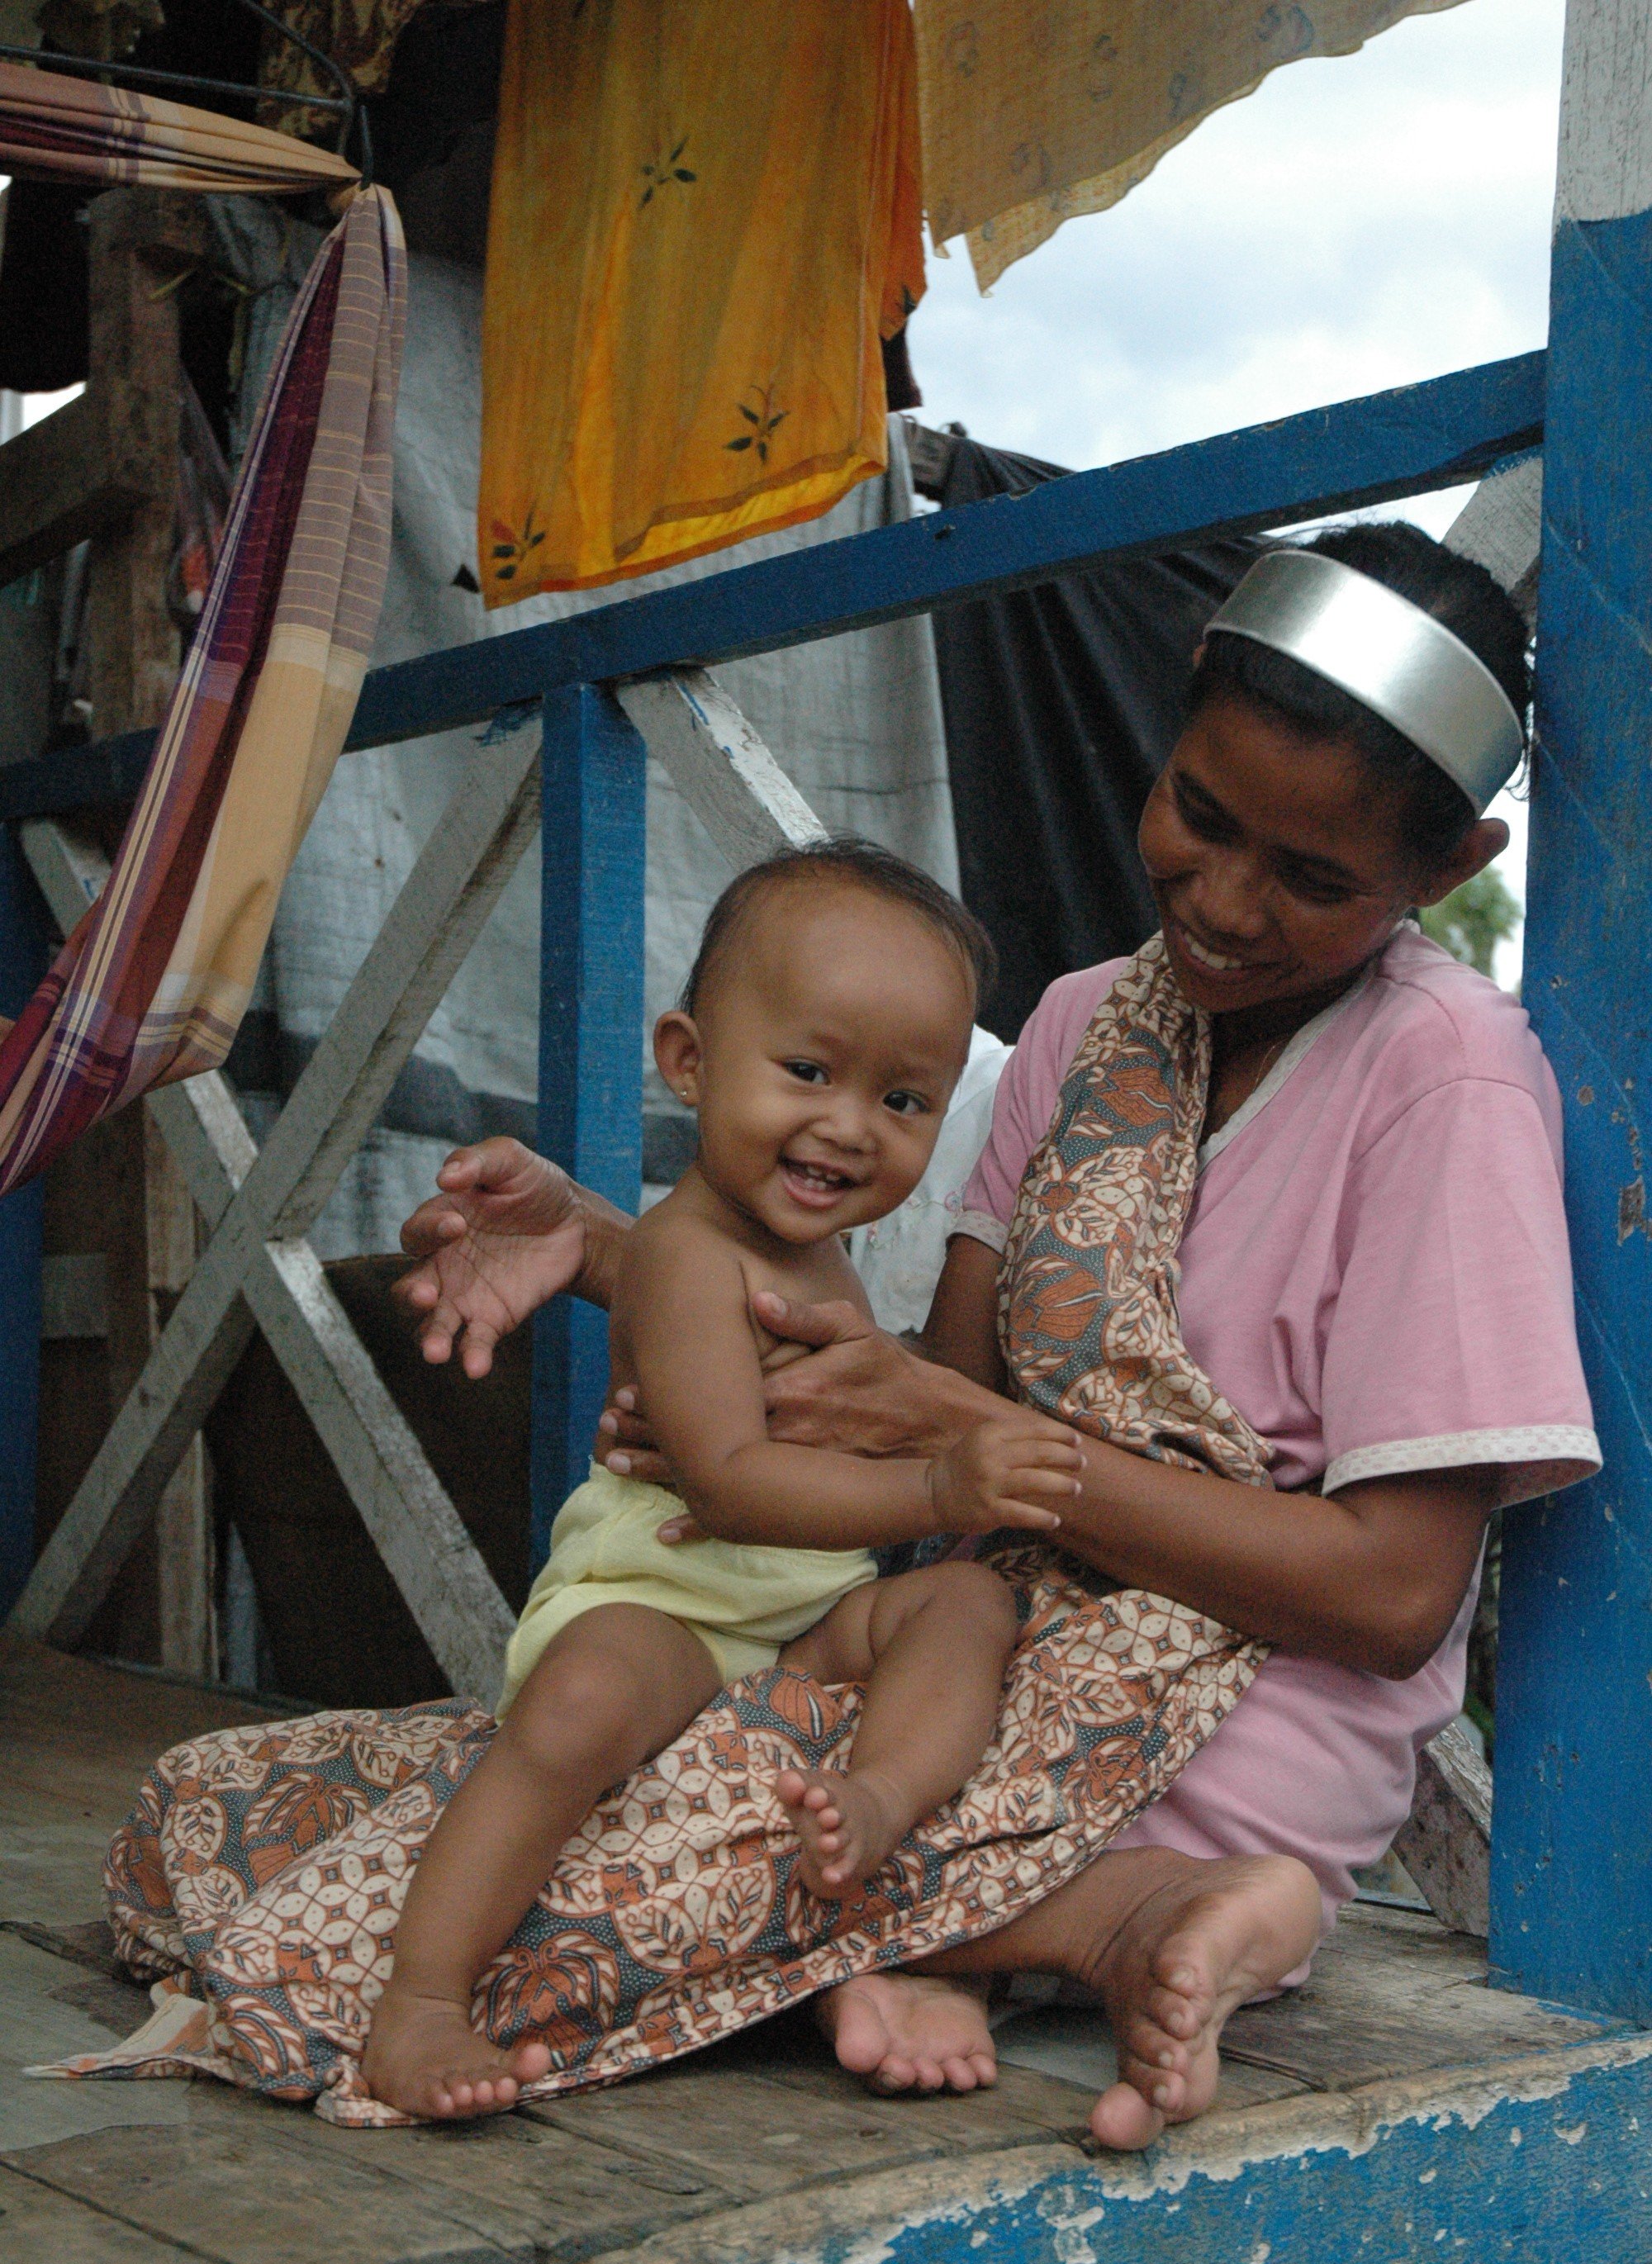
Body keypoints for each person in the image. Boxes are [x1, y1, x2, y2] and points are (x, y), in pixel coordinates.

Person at [393, 523, 1598, 2150]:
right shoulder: (1082, 1021)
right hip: (981, 1656)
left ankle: (1134, 1916)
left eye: (1313, 877)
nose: (1227, 904)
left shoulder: (1441, 1077)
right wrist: (629, 1265)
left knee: (586, 1892)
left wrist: (975, 1453)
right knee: (541, 1805)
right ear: (1174, 718)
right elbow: (942, 1404)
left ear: (1450, 868)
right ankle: (989, 1945)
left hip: (1250, 1703)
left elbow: (1390, 1599)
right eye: (1200, 815)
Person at [363, 841, 1086, 2119]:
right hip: (674, 1604)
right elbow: (739, 1486)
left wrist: (932, 1471)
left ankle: (876, 1803)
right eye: (806, 1071)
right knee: (581, 1707)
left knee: (969, 1611)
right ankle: (422, 2000)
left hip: (800, 1617)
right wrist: (942, 1487)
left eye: (905, 1101)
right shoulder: (690, 1255)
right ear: (689, 1061)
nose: (847, 1126)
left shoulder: (819, 1256)